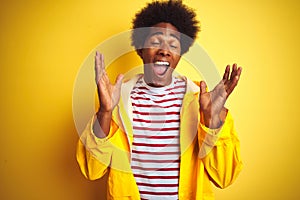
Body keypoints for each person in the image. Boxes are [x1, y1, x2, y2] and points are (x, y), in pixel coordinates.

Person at [76, 0, 243, 199]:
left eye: (173, 44)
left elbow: (224, 177)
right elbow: (91, 170)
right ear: (140, 49)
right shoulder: (117, 102)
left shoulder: (202, 101)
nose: (164, 50)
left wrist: (211, 120)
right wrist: (104, 112)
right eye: (155, 42)